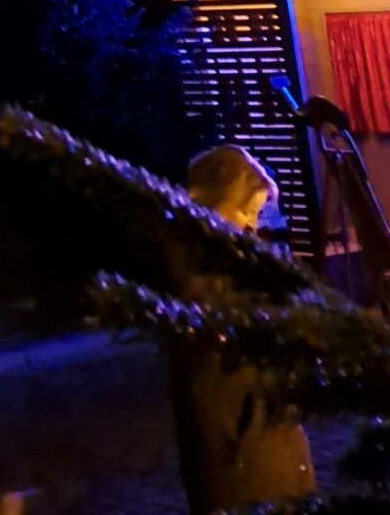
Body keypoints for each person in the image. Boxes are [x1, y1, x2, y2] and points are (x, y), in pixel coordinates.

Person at [165, 144, 315, 511]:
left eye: (257, 214)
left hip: (274, 457)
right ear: (213, 205)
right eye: (244, 210)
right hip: (247, 475)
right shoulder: (202, 284)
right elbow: (215, 401)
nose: (252, 225)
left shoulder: (240, 273)